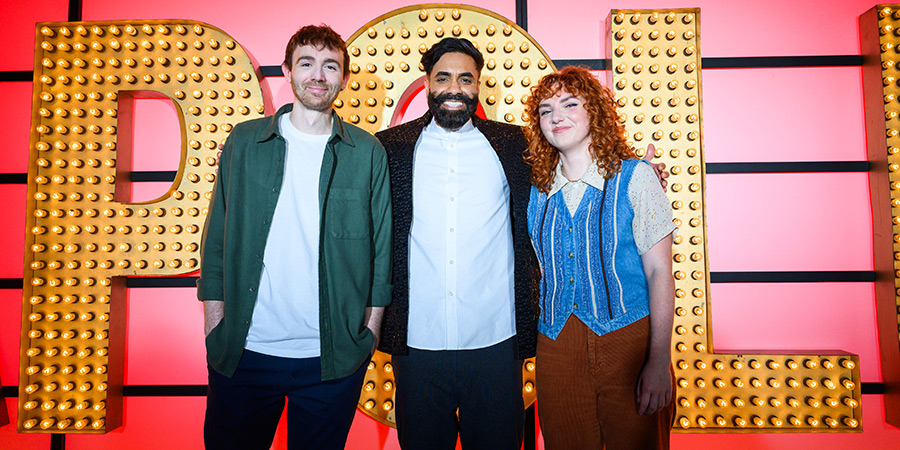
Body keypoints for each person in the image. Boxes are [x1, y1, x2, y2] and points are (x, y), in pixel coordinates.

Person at [196, 24, 391, 450]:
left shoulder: (366, 151)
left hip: (332, 360)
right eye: (306, 63)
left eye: (330, 65)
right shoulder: (246, 142)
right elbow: (215, 240)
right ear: (287, 70)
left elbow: (380, 253)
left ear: (344, 77)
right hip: (244, 353)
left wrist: (368, 337)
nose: (317, 75)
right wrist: (217, 328)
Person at [375, 38, 540, 449]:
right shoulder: (389, 147)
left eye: (465, 79)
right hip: (417, 344)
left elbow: (578, 165)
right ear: (427, 83)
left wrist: (638, 171)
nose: (454, 88)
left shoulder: (516, 145)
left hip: (496, 343)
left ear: (479, 86)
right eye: (443, 77)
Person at [523, 66, 676, 449]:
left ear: (594, 111)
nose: (557, 116)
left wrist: (658, 360)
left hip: (629, 340)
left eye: (570, 104)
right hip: (556, 347)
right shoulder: (534, 192)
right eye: (545, 110)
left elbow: (659, 272)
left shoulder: (636, 177)